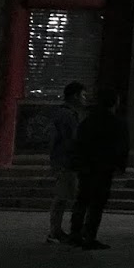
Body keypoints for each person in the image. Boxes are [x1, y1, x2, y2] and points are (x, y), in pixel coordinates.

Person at [70, 88, 127, 249]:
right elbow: (121, 147)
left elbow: (78, 143)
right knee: (97, 204)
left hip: (86, 167)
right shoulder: (117, 123)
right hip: (104, 168)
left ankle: (75, 233)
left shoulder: (88, 121)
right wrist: (120, 165)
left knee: (82, 200)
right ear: (115, 103)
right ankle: (90, 235)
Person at [46, 81, 86, 243]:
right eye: (83, 95)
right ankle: (55, 231)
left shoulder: (63, 113)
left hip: (63, 159)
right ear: (75, 96)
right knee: (63, 197)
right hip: (66, 161)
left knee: (63, 196)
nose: (85, 99)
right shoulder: (68, 115)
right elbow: (72, 139)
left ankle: (57, 230)